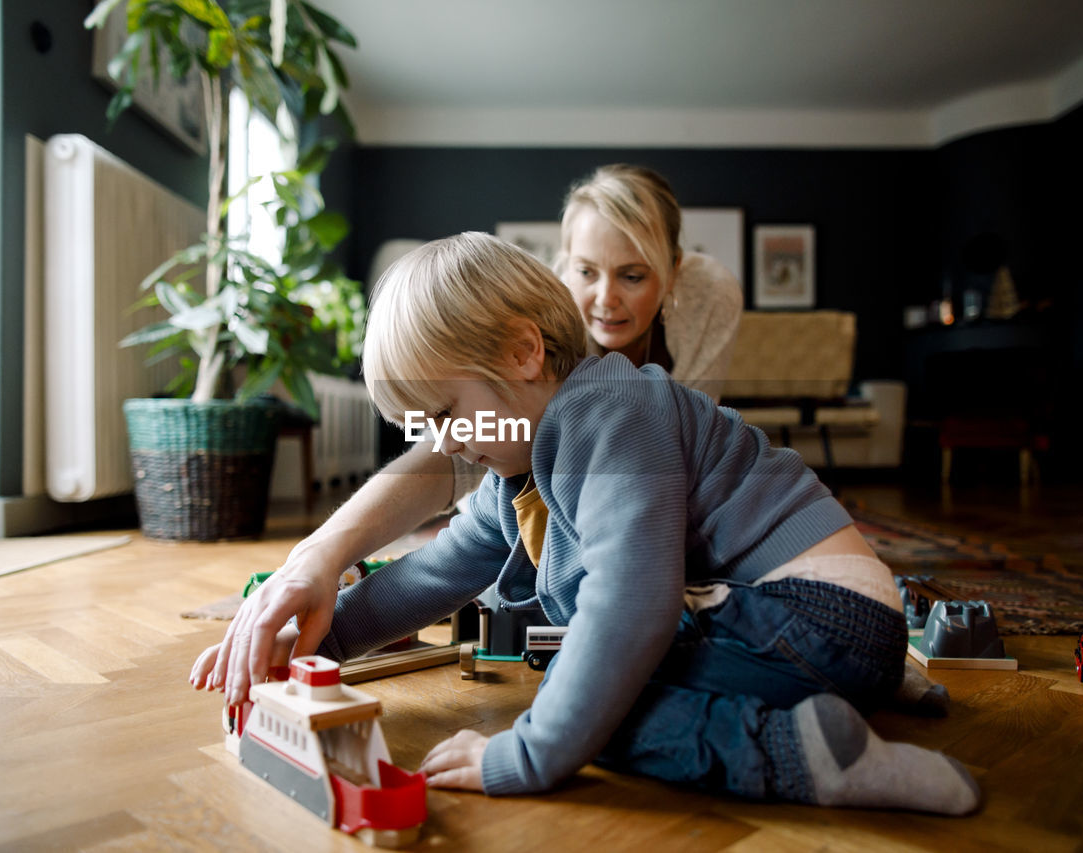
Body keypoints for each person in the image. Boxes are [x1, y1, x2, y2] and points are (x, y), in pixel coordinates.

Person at [193, 232, 979, 813]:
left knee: (600, 694)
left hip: (820, 618)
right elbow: (429, 576)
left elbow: (632, 605)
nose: (444, 444)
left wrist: (530, 752)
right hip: (821, 626)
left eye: (445, 415)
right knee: (585, 673)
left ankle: (814, 753)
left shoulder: (612, 410)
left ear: (524, 351)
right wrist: (310, 648)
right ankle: (865, 680)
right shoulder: (520, 473)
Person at [198, 165, 741, 708]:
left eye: (632, 275)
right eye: (585, 272)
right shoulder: (523, 372)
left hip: (697, 553)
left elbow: (653, 522)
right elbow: (450, 511)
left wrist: (526, 749)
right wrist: (318, 564)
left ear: (671, 272)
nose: (605, 298)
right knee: (492, 571)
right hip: (546, 489)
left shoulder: (679, 337)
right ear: (563, 268)